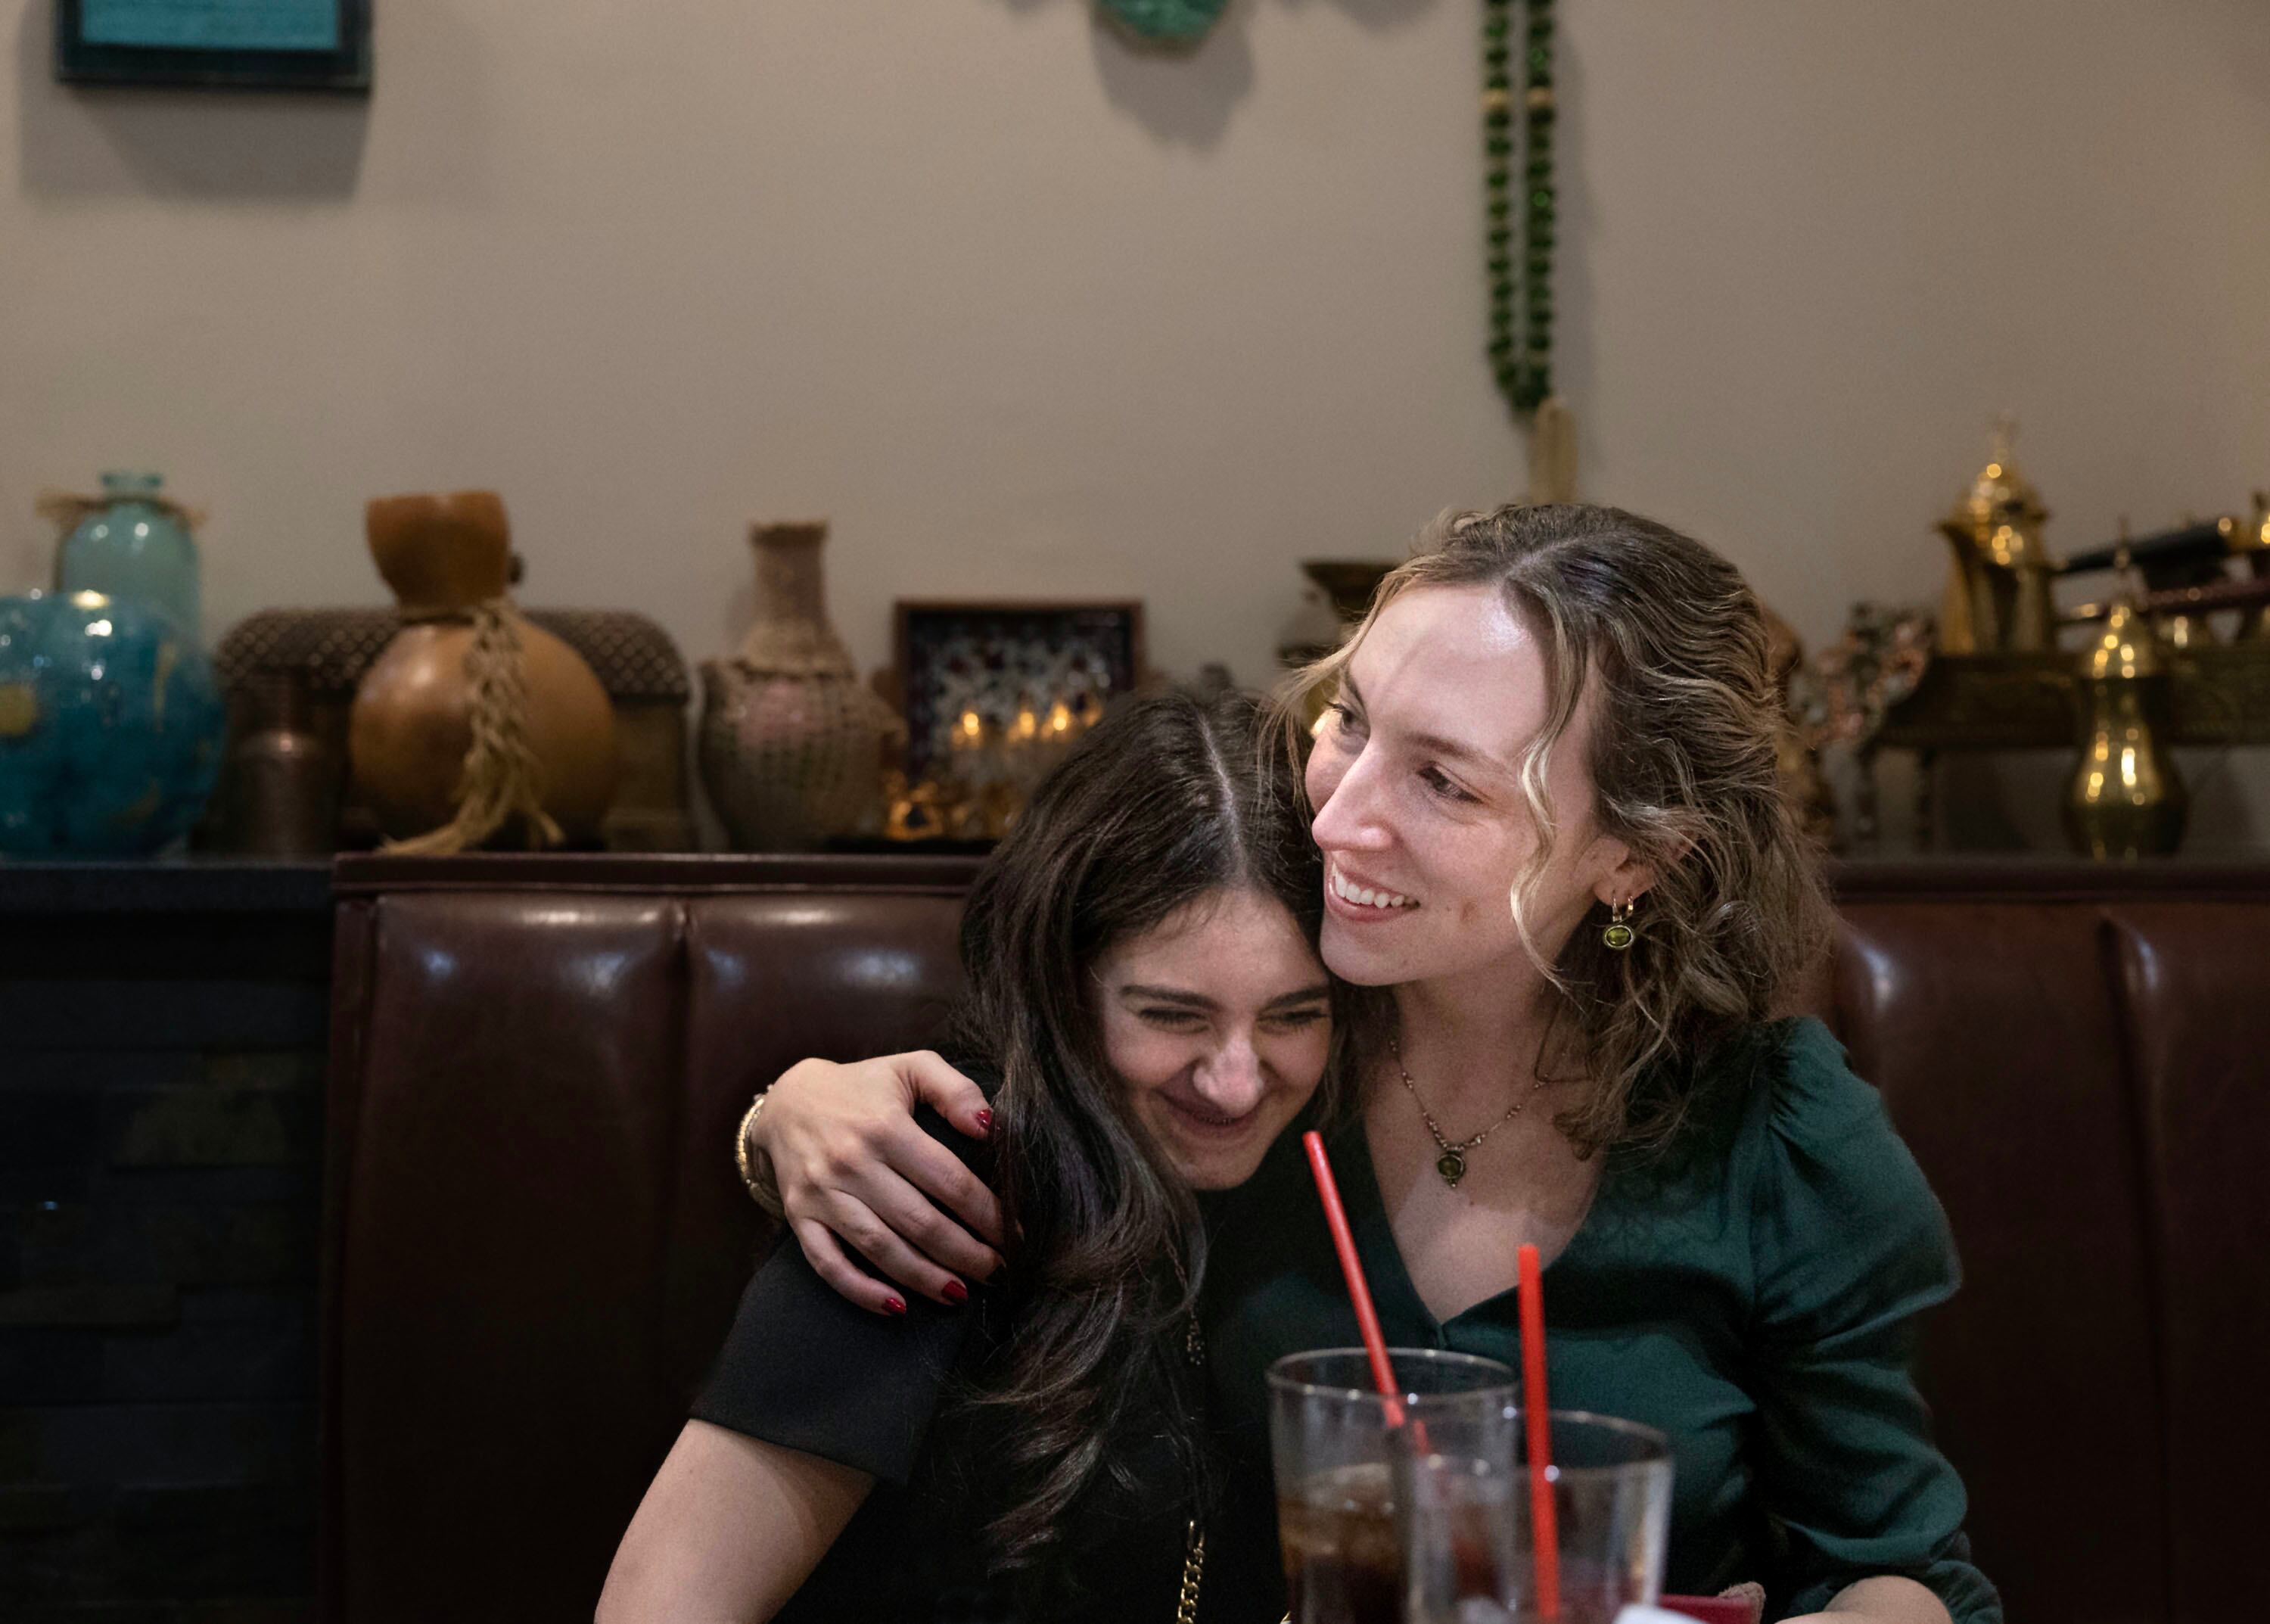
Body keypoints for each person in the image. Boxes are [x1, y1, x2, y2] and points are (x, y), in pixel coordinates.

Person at [742, 503, 2004, 1624]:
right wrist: (787, 1112)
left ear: (1632, 854)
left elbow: (1900, 1571)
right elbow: (1022, 1107)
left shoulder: (1777, 1136)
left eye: (1444, 781)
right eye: (1349, 720)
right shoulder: (1264, 1044)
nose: (1337, 818)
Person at [597, 689, 1338, 1624]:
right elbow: (661, 1606)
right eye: (1171, 1015)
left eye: (1294, 1015)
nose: (1235, 1081)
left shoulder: (1306, 1170)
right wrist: (771, 1120)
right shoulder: (941, 1171)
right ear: (1065, 981)